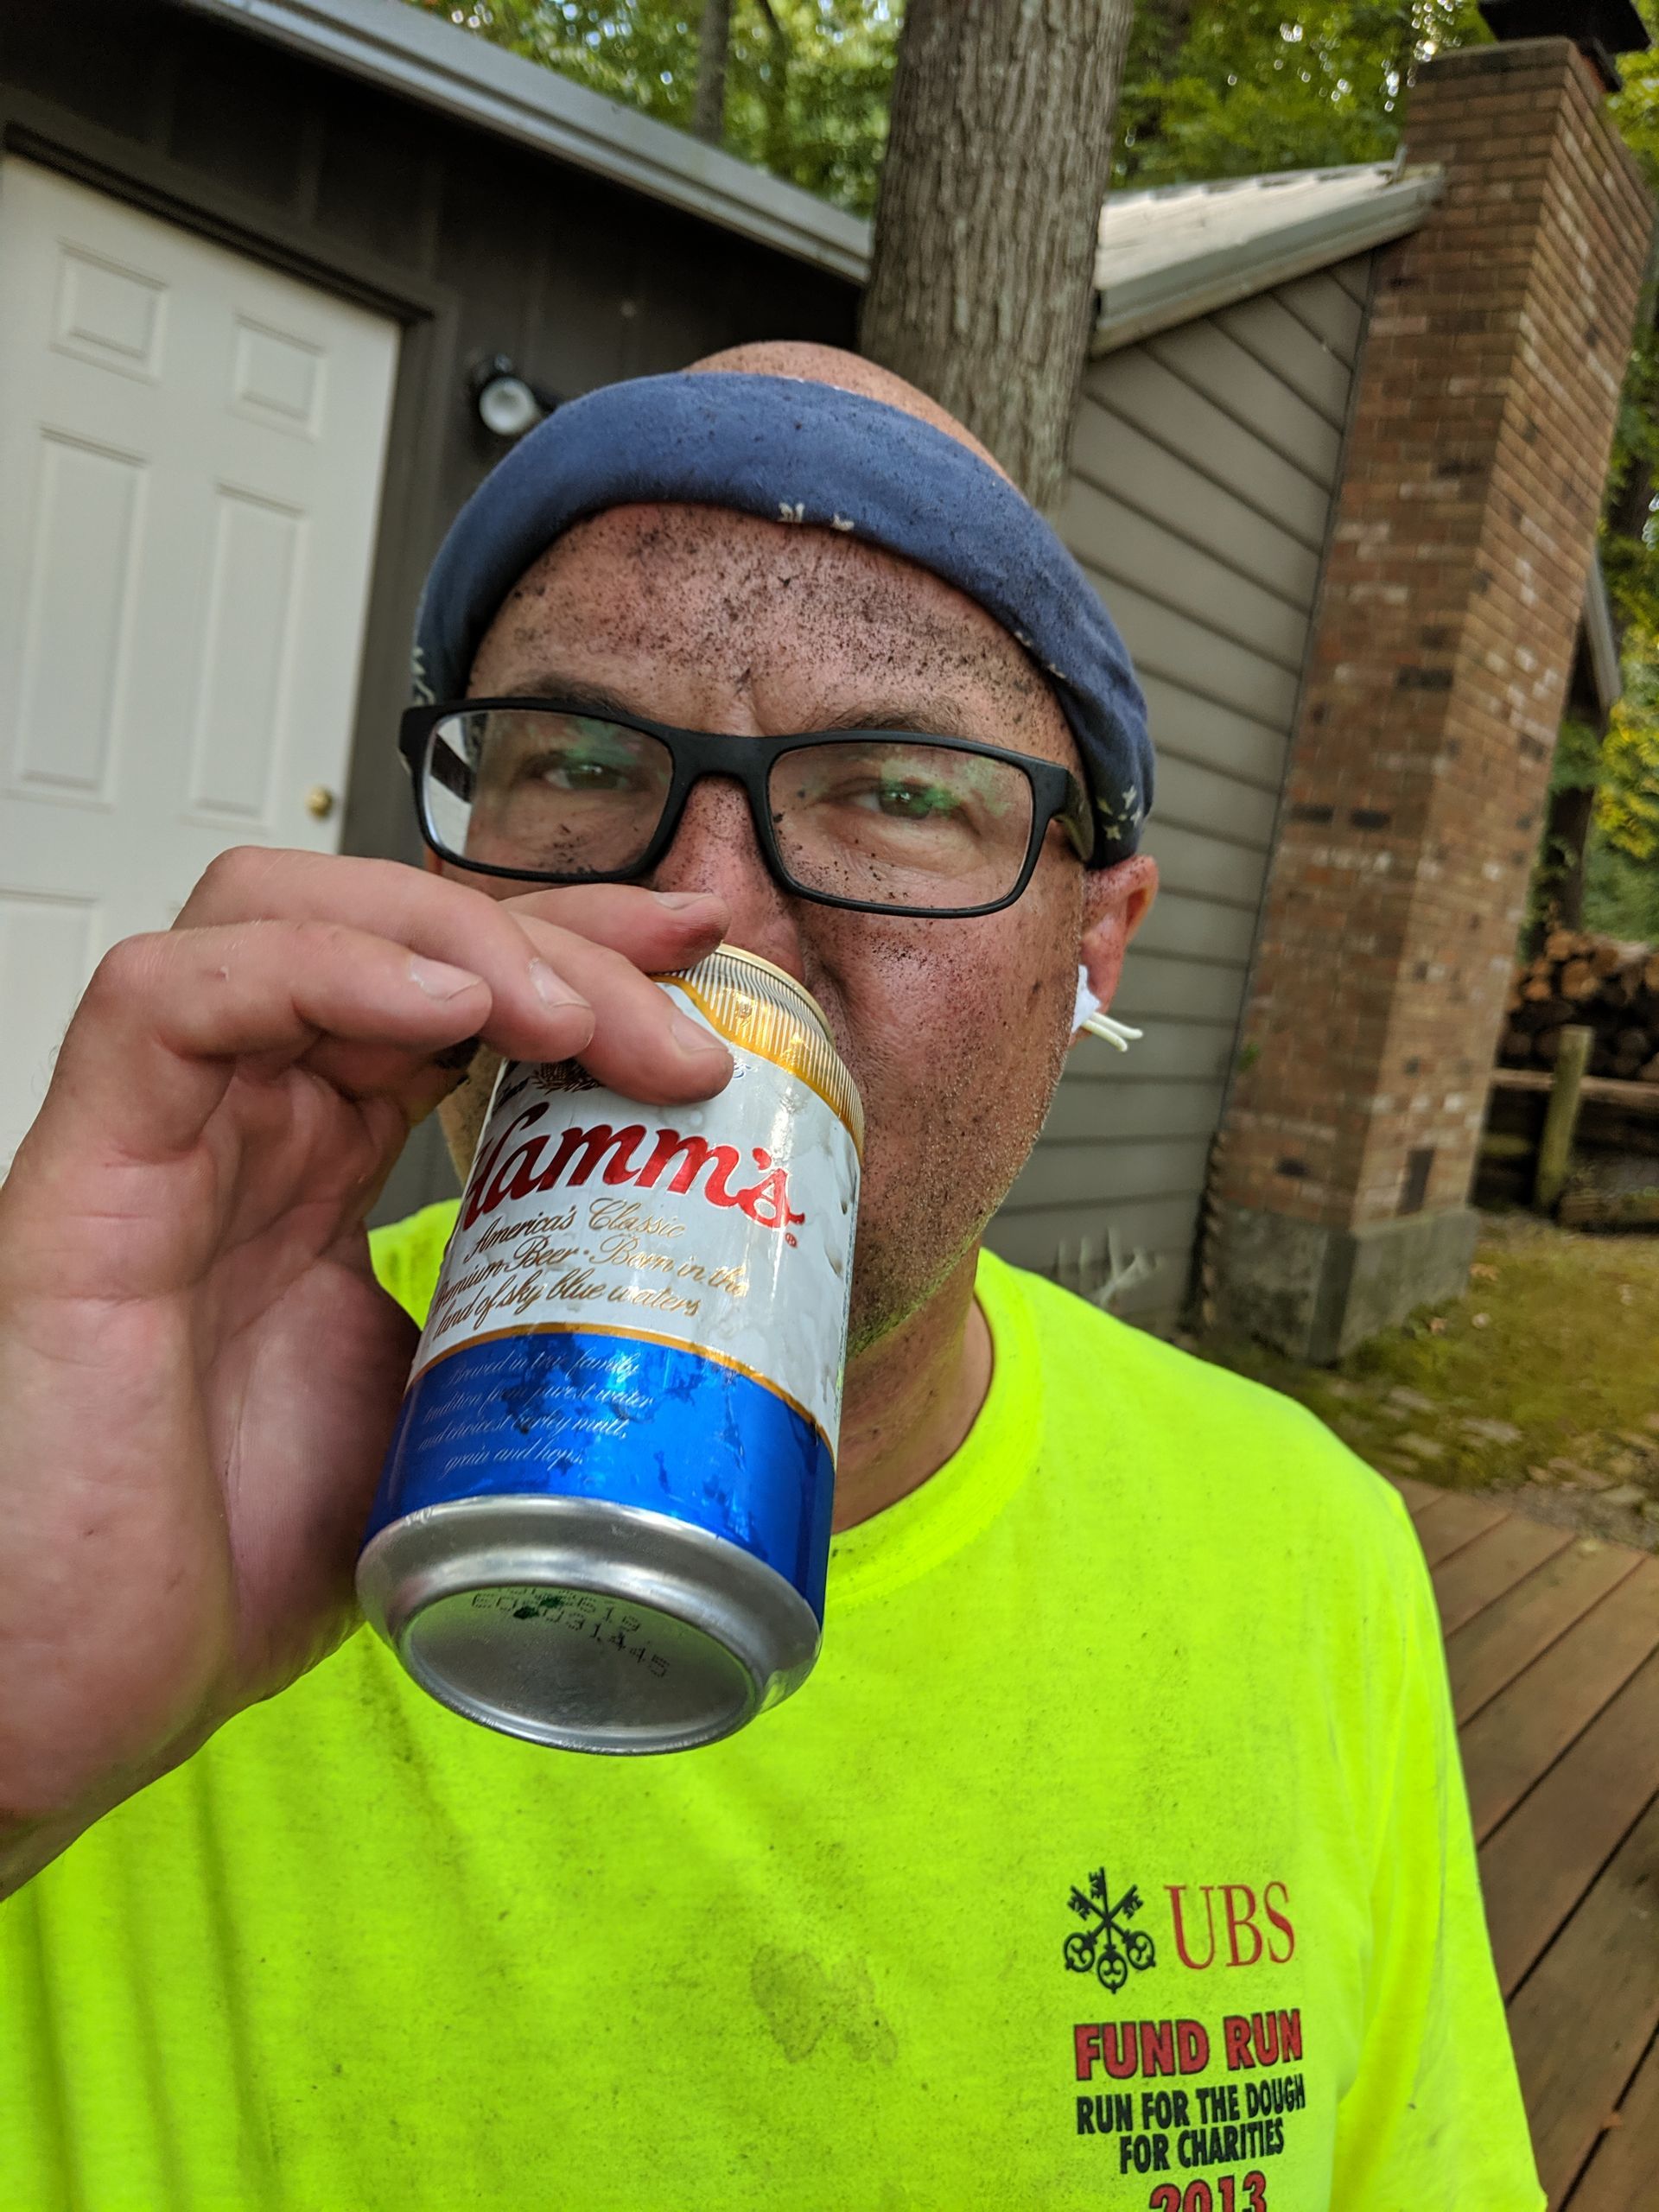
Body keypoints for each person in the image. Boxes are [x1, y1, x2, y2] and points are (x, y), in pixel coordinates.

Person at [0, 343, 1541, 2211]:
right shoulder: (122, 1432)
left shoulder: (1312, 1546)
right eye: (578, 760)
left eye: (898, 786)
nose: (715, 912)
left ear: (1095, 945)